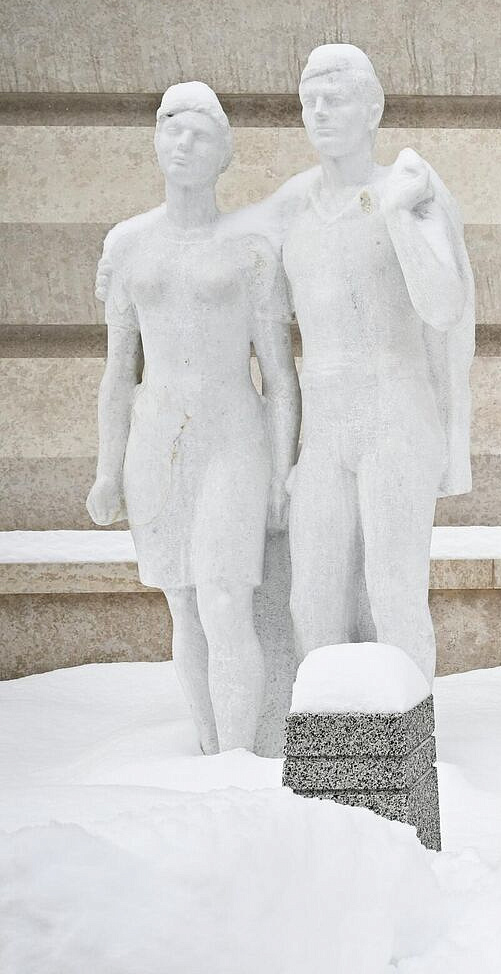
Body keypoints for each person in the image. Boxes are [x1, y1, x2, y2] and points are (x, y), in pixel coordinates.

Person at [87, 82, 301, 754]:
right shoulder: (127, 244)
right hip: (155, 438)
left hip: (232, 437)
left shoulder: (253, 247)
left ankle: (237, 758)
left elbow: (280, 375)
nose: (182, 143)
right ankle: (208, 751)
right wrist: (105, 470)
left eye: (199, 133)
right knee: (182, 602)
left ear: (224, 153)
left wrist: (279, 472)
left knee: (225, 598)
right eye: (169, 127)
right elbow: (119, 372)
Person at [272, 44, 475, 683]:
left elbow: (444, 306)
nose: (320, 112)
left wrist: (399, 217)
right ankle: (333, 753)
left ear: (373, 109)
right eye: (310, 102)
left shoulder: (408, 188)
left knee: (393, 590)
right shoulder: (292, 206)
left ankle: (407, 753)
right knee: (314, 597)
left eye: (336, 99)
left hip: (395, 408)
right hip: (324, 427)